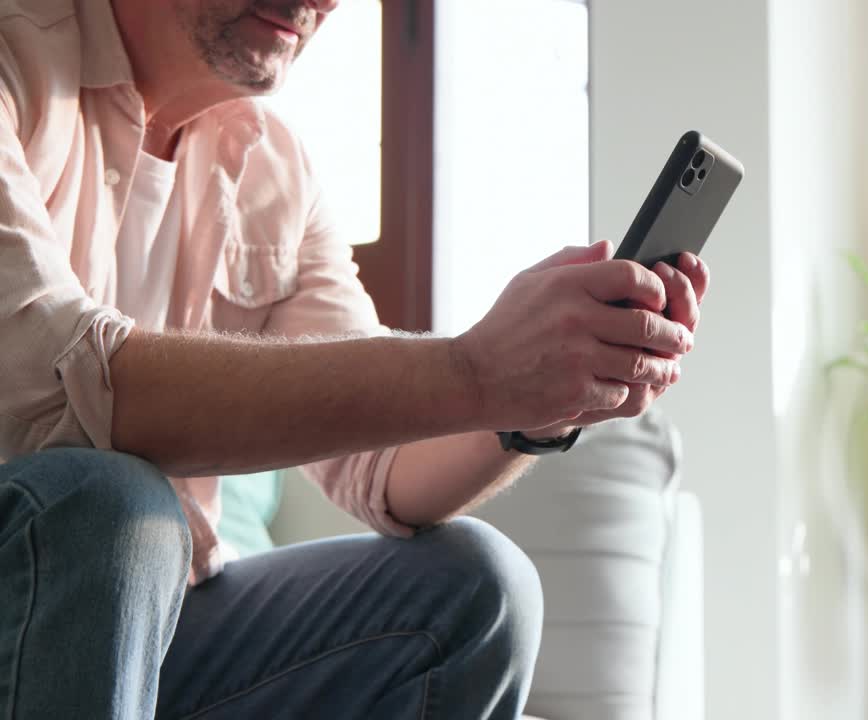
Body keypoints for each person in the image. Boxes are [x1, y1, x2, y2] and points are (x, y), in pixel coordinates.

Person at [0, 0, 709, 718]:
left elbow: (384, 463)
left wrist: (538, 402)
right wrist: (475, 370)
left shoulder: (269, 164)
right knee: (109, 507)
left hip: (155, 625)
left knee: (474, 587)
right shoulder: (16, 53)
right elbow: (66, 379)